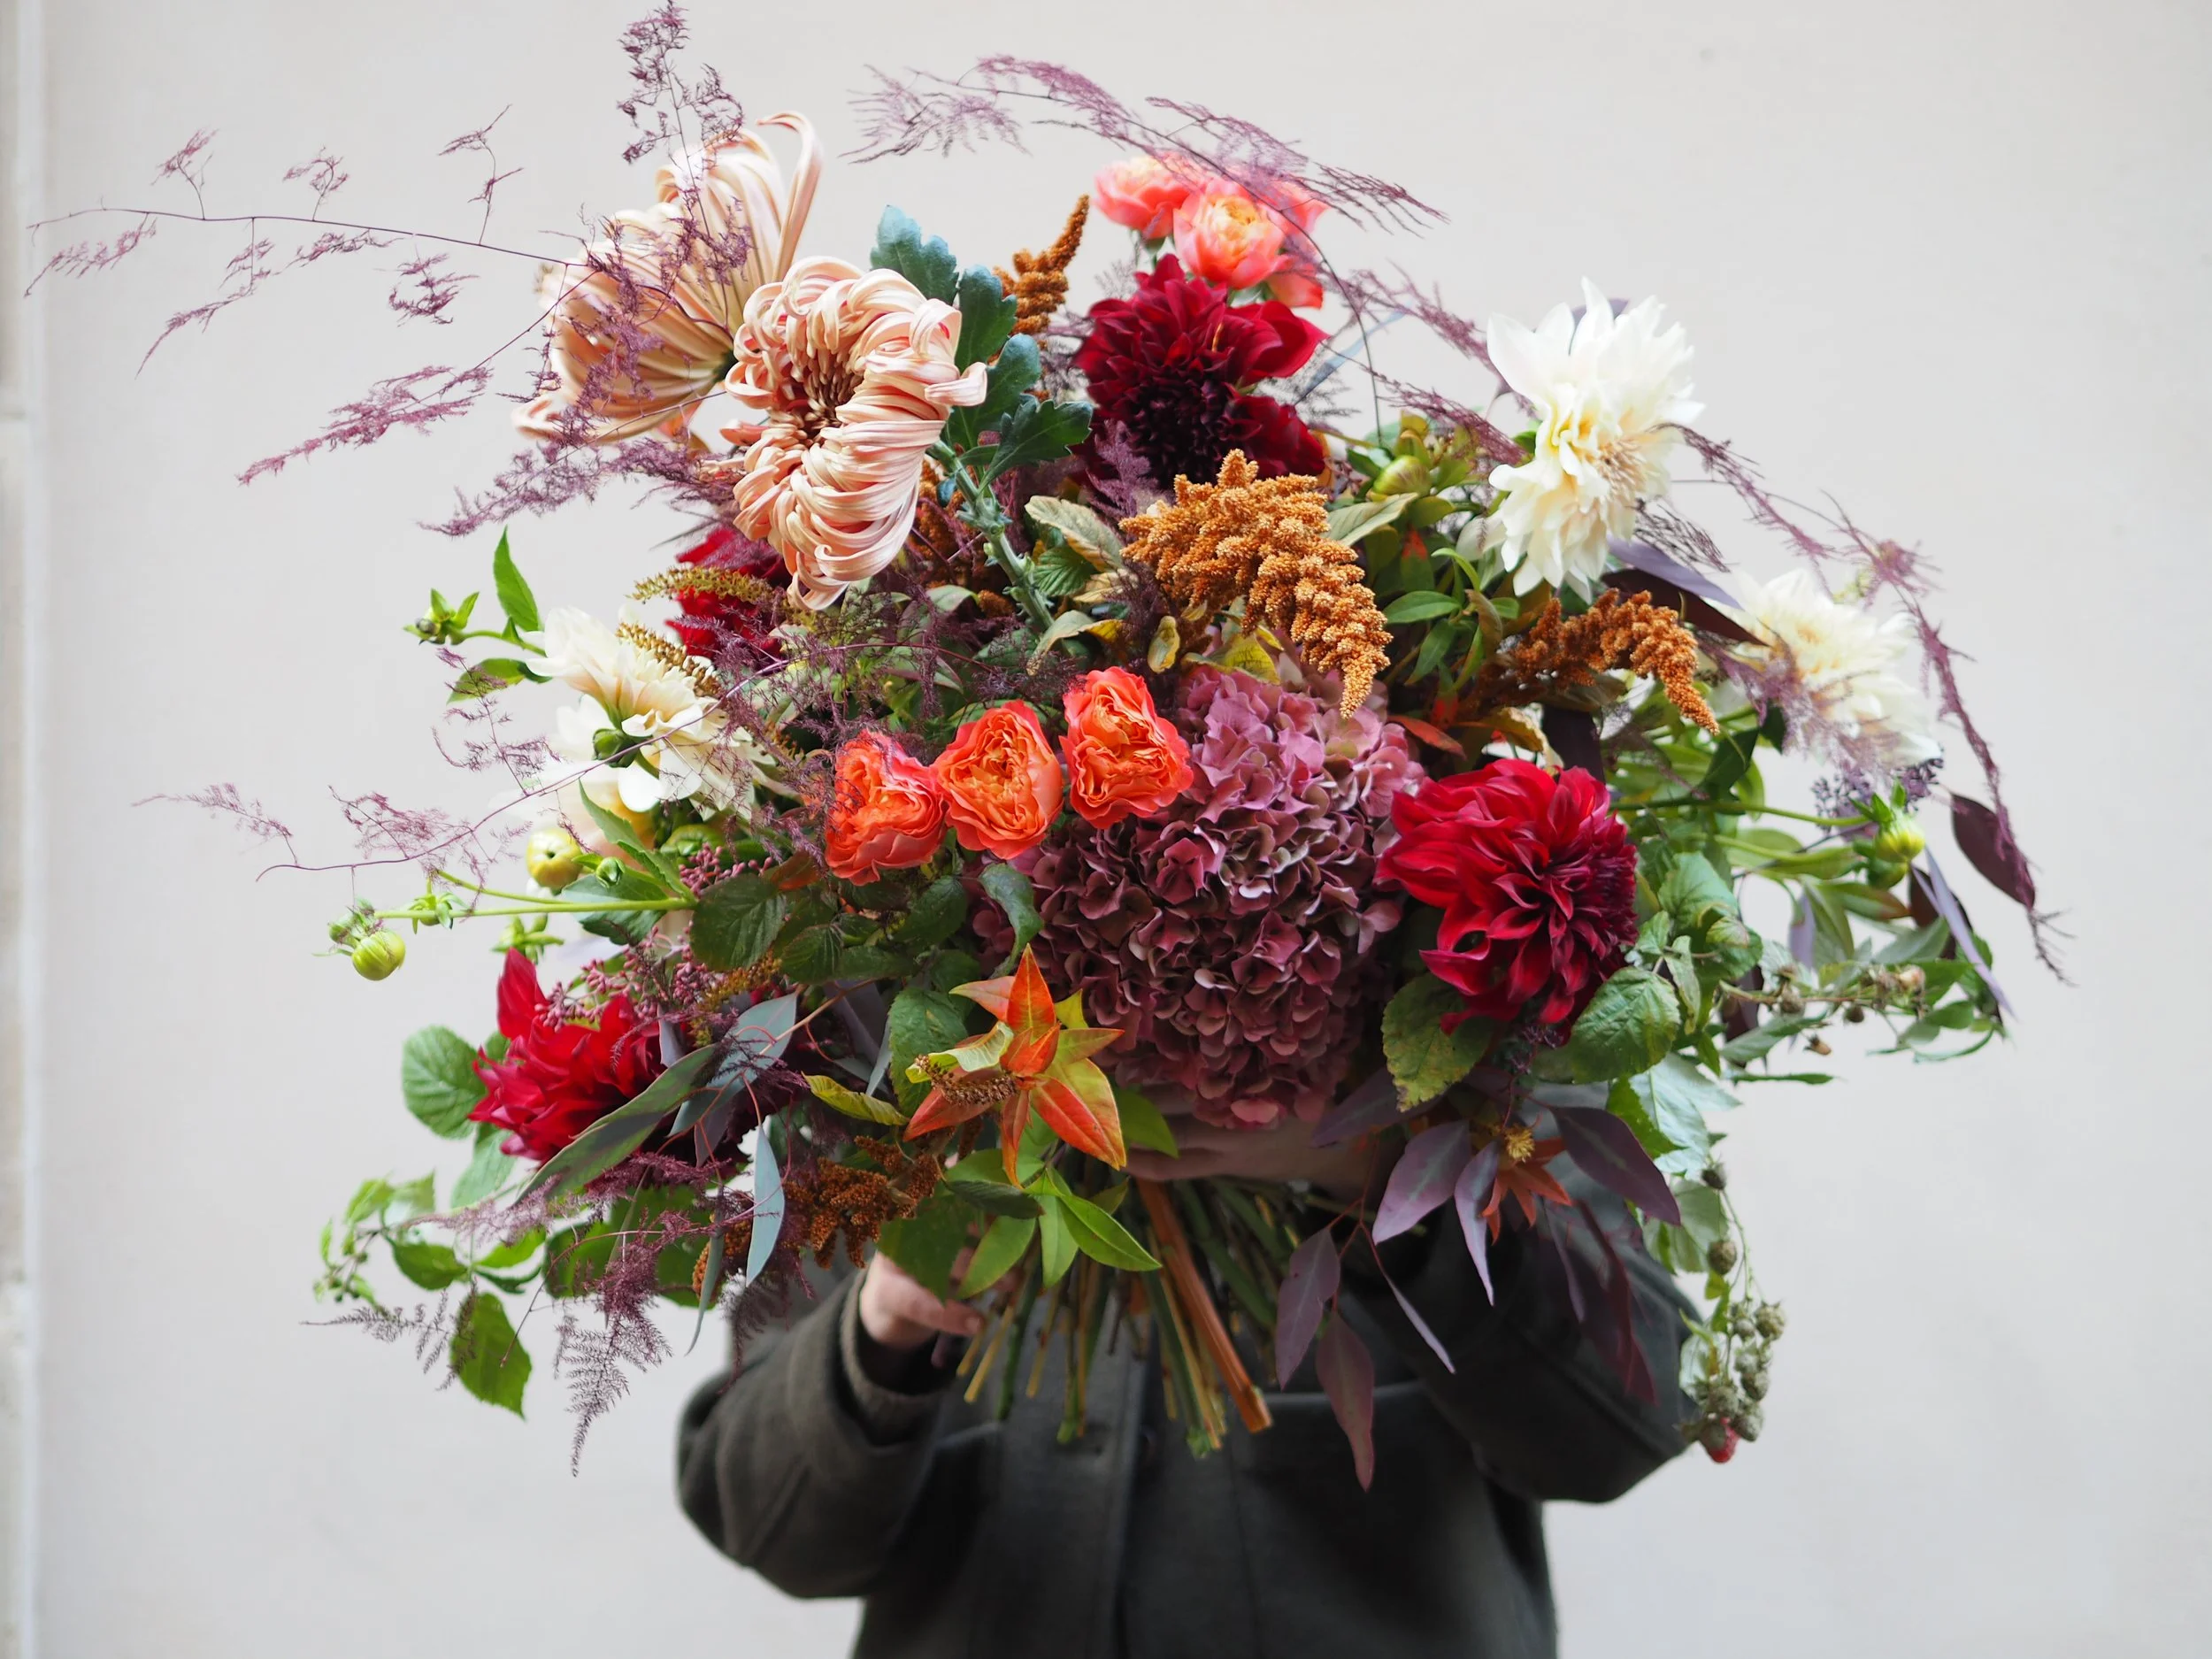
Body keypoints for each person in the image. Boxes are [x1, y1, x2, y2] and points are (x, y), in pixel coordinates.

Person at [677, 1092, 1693, 1658]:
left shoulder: (1473, 1068)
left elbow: (1625, 1422)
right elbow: (767, 1523)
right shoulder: (885, 1092)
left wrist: (1376, 1167)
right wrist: (880, 1328)